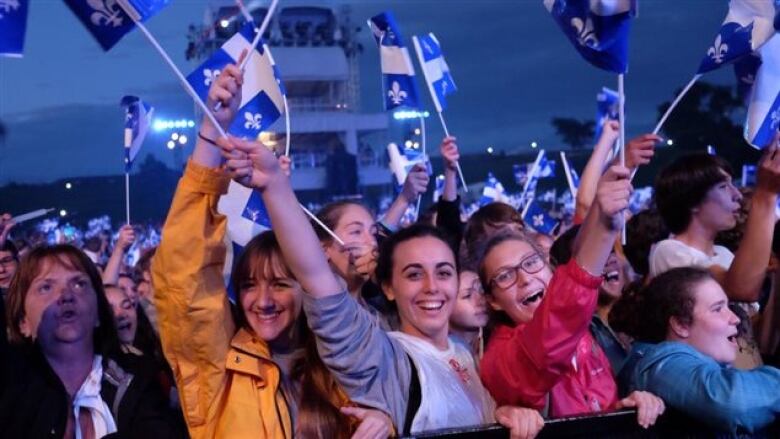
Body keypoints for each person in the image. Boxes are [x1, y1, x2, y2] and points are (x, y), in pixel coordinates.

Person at [216, 131, 546, 438]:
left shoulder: (465, 353)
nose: (432, 286)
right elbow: (316, 277)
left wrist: (507, 414)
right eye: (414, 274)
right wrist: (274, 186)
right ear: (388, 287)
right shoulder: (386, 358)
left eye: (444, 272)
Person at [152, 59, 392, 439]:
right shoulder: (219, 365)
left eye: (280, 283)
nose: (262, 300)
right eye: (249, 285)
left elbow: (400, 386)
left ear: (307, 286)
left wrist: (386, 418)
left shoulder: (343, 364)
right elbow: (183, 271)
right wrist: (211, 134)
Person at [478, 166, 664, 428]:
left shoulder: (591, 335)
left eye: (531, 262)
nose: (525, 278)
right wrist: (604, 227)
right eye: (505, 276)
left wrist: (627, 407)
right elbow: (553, 331)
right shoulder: (499, 360)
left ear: (551, 267)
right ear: (493, 300)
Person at [0, 244, 183, 437]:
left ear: (98, 312)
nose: (66, 295)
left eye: (79, 283)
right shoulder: (10, 396)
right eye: (46, 287)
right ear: (23, 322)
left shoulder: (140, 378)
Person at [620, 267, 780, 435]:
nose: (735, 318)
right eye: (717, 309)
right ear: (681, 325)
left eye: (728, 307)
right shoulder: (662, 364)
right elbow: (732, 401)